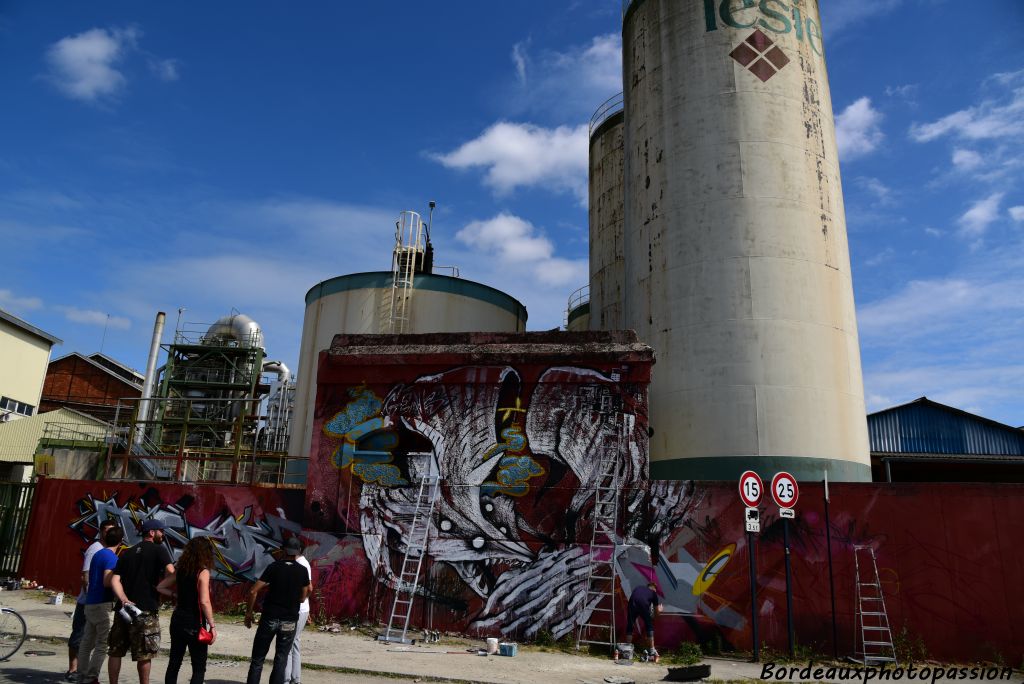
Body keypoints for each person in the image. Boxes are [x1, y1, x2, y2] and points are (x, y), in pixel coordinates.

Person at [109, 519, 175, 684]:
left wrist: (123, 598)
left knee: (115, 651)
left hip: (123, 610)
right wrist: (167, 587)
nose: (163, 534)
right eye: (161, 531)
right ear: (152, 533)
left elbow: (115, 580)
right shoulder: (159, 550)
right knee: (145, 654)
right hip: (145, 610)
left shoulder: (128, 552)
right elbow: (170, 572)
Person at [245, 537, 311, 684]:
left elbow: (253, 591)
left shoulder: (273, 567)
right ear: (297, 552)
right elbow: (306, 592)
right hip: (289, 620)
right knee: (281, 660)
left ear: (283, 550)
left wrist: (248, 614)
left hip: (270, 618)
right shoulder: (302, 570)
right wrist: (299, 599)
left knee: (258, 659)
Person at [157, 537, 218, 684]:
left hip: (177, 620)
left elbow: (160, 587)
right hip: (195, 623)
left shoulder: (180, 570)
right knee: (198, 667)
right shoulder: (202, 572)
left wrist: (174, 594)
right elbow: (204, 601)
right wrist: (212, 625)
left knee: (174, 662)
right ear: (205, 553)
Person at [69, 520, 119, 682]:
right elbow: (100, 580)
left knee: (87, 640)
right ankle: (89, 676)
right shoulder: (105, 554)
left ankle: (81, 673)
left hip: (91, 601)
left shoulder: (99, 553)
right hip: (98, 602)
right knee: (100, 643)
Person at [283, 545, 312, 684]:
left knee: (288, 644)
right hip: (302, 609)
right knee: (294, 643)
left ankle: (287, 679)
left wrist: (302, 600)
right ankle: (295, 679)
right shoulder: (302, 562)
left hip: (298, 610)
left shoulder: (301, 564)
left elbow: (309, 588)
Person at [624, 581, 662, 663]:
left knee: (630, 625)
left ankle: (627, 650)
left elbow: (635, 597)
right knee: (649, 625)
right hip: (643, 604)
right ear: (654, 589)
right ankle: (652, 650)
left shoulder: (639, 587)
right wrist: (659, 610)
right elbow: (656, 614)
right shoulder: (653, 593)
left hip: (632, 602)